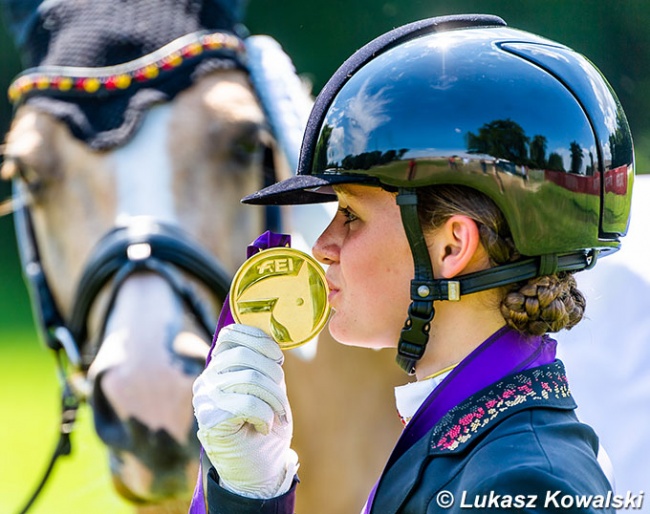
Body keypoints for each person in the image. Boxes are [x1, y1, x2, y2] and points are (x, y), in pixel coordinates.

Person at [191, 14, 635, 513]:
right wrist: (252, 491)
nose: (323, 245)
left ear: (451, 247)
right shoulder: (472, 441)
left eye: (350, 215)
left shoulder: (517, 486)